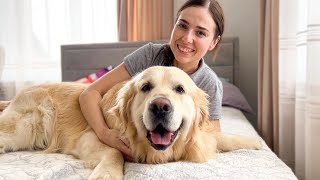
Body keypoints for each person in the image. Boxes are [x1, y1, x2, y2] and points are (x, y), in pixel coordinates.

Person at [79, 0, 224, 160]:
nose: (187, 38)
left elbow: (212, 134)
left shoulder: (209, 82)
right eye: (182, 25)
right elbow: (90, 92)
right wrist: (104, 133)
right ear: (174, 25)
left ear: (214, 42)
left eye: (200, 33)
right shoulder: (149, 55)